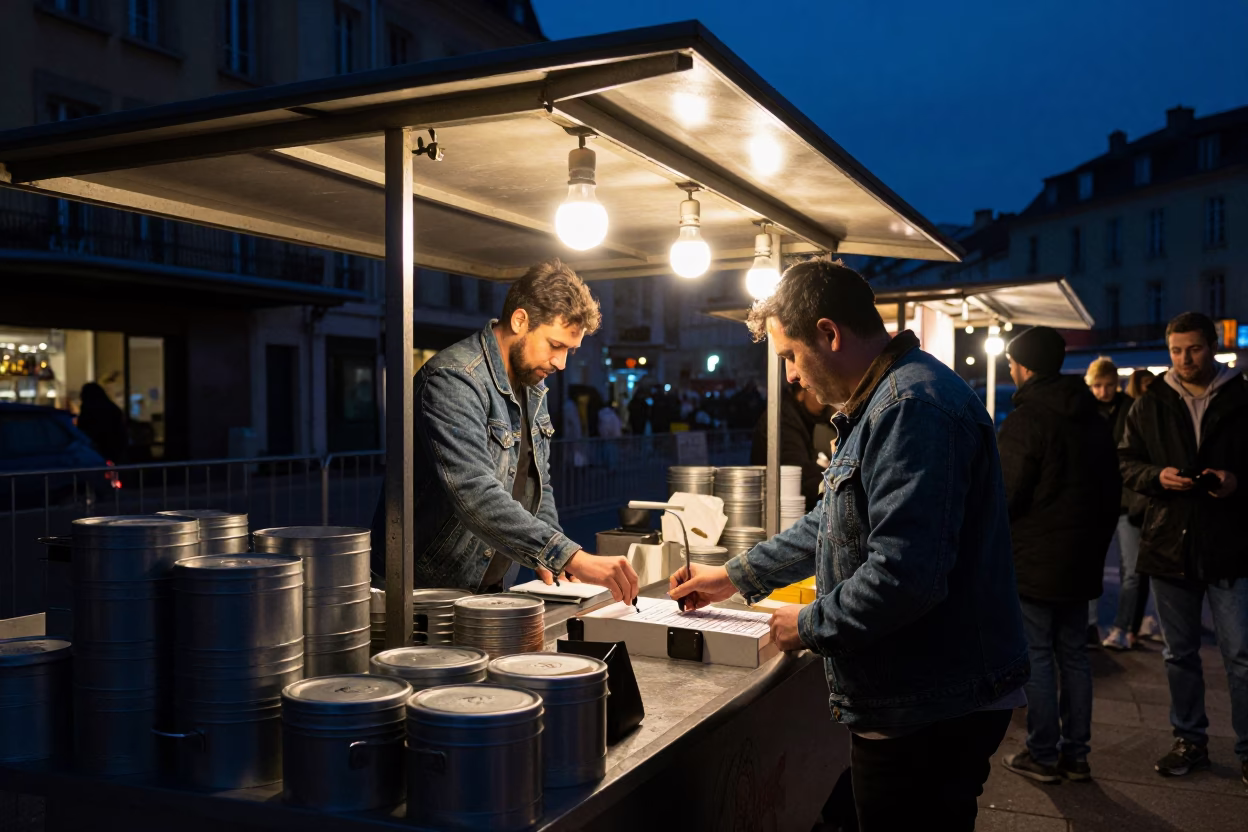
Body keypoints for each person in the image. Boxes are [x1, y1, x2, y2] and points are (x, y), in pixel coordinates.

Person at [669, 260, 1028, 831]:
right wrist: (734, 577)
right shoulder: (884, 400)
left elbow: (905, 576)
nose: (790, 376)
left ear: (829, 334)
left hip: (931, 701)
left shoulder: (910, 408)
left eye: (790, 355)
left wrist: (804, 625)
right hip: (925, 693)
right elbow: (828, 525)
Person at [369, 258, 639, 602]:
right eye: (555, 345)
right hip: (423, 595)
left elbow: (535, 484)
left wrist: (555, 555)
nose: (561, 363)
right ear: (520, 320)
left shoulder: (531, 386)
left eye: (570, 351)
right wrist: (569, 555)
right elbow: (474, 492)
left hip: (489, 590)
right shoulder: (454, 379)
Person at [1119, 312, 1248, 785]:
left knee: (1240, 654)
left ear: (1211, 346)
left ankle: (1247, 748)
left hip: (1229, 542)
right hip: (1169, 541)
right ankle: (1189, 740)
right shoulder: (1151, 400)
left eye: (1192, 349)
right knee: (1179, 654)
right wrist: (1157, 477)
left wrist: (1236, 482)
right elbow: (1126, 462)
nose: (1184, 359)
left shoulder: (1240, 396)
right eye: (1176, 350)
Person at [997, 329, 1120, 784]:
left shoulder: (1028, 418)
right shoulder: (1092, 417)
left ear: (1024, 366)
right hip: (1082, 558)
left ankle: (1043, 754)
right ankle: (1077, 755)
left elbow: (1005, 494)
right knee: (1075, 655)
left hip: (1035, 559)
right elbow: (1113, 488)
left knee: (1039, 655)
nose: (1010, 369)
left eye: (1012, 362)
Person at [1099, 363, 1160, 651]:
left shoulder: (1130, 410)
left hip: (1126, 500)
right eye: (1098, 385)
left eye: (1108, 385)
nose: (1103, 391)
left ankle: (1124, 627)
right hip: (1102, 498)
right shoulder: (1089, 410)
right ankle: (1102, 627)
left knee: (1133, 571)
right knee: (1103, 567)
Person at [748, 381, 829, 511]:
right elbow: (798, 471)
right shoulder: (784, 419)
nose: (825, 399)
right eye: (819, 391)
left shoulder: (803, 417)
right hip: (778, 508)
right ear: (801, 392)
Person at [76, 381, 128, 464]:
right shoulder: (112, 408)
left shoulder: (89, 409)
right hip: (115, 449)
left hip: (96, 450)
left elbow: (82, 428)